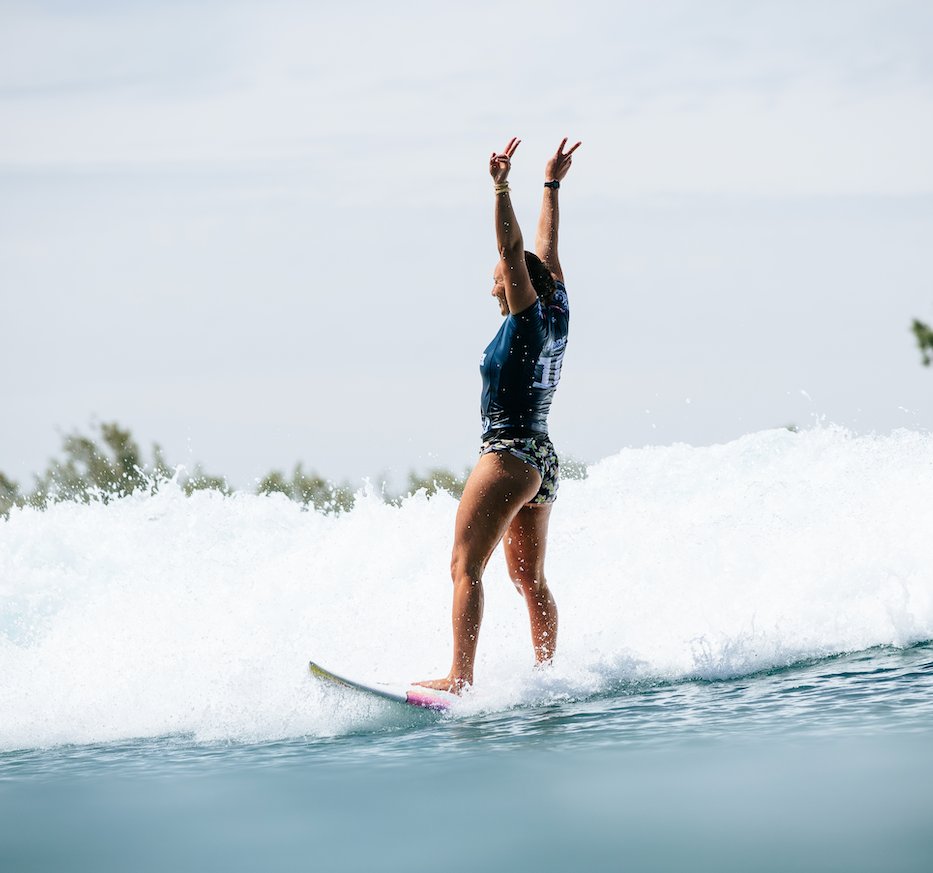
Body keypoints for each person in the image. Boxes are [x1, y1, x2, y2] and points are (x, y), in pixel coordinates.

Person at [418, 136, 581, 693]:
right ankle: (548, 677)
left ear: (518, 288)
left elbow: (516, 251)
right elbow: (543, 253)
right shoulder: (556, 310)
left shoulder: (529, 320)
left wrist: (502, 188)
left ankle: (459, 679)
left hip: (509, 454)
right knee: (528, 578)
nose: (494, 285)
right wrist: (552, 186)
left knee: (465, 567)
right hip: (543, 457)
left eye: (500, 280)